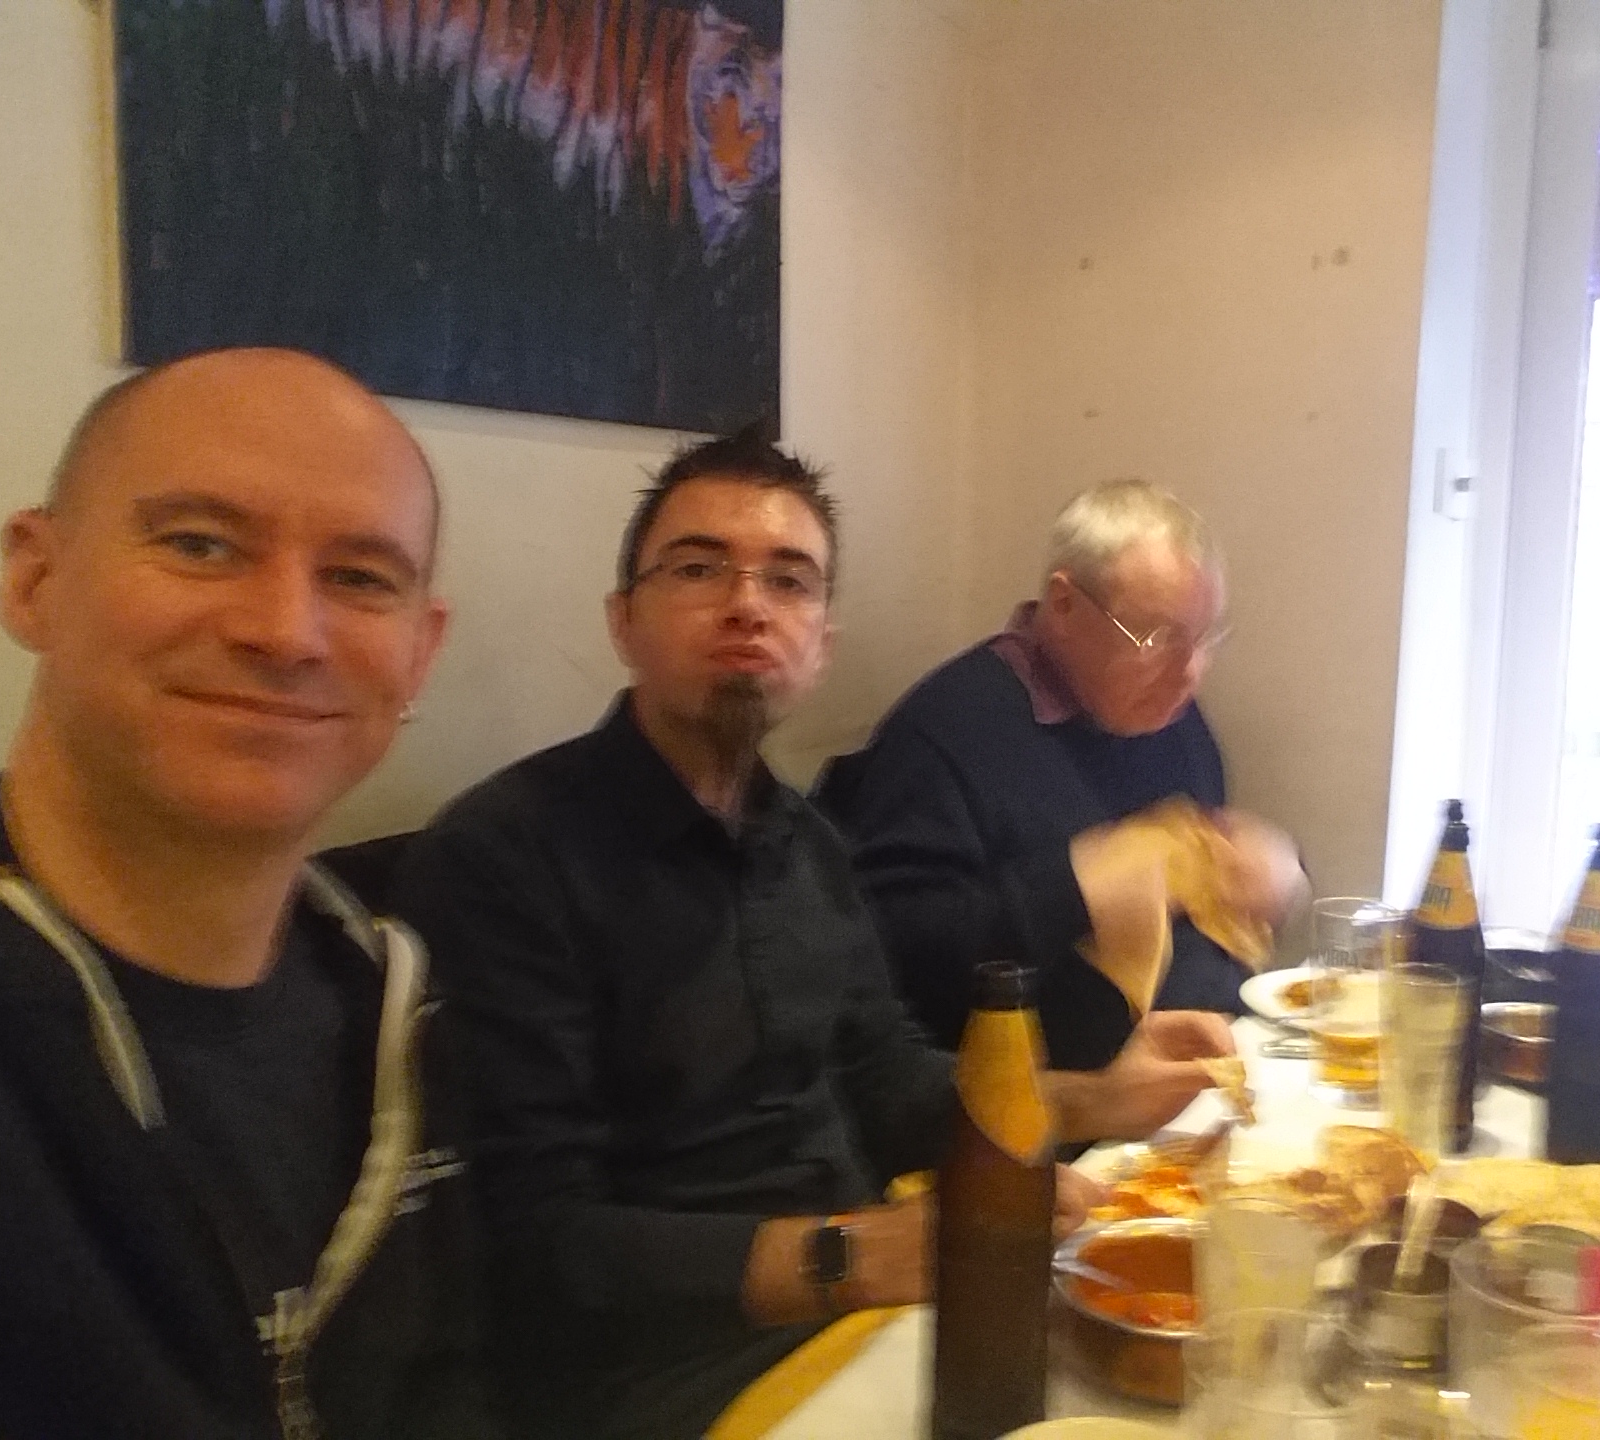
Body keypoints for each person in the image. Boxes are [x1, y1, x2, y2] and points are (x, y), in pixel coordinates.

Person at [393, 435, 1235, 1440]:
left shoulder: (810, 845)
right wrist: (857, 1254)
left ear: (822, 641)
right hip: (663, 1382)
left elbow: (888, 1078)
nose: (748, 604)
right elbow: (532, 1240)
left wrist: (1097, 1096)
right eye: (698, 568)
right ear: (623, 620)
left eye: (789, 580)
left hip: (862, 1323)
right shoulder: (504, 855)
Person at [0, 349, 491, 1436]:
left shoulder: (393, 1007)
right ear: (35, 578)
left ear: (420, 651)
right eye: (200, 544)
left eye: (361, 578)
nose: (285, 630)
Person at [815, 479, 1304, 1071]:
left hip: (1188, 1064)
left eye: (1204, 638)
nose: (1190, 672)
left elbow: (1195, 919)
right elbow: (898, 962)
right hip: (1039, 1094)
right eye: (1157, 638)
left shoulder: (1172, 718)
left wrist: (1261, 878)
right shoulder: (943, 734)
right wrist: (1075, 890)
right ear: (1066, 605)